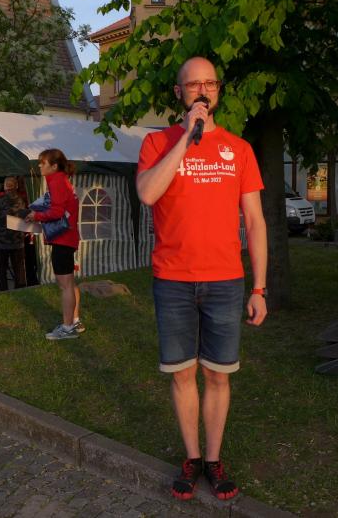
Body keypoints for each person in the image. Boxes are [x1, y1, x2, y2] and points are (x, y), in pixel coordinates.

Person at [136, 56, 267, 501]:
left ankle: (213, 459)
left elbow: (255, 221)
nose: (203, 91)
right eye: (193, 85)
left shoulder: (239, 149)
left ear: (218, 91)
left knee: (218, 375)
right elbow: (148, 193)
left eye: (210, 84)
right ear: (180, 94)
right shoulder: (157, 143)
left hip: (225, 280)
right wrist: (186, 140)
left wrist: (259, 287)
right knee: (181, 374)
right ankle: (191, 458)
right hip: (173, 279)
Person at [25, 148, 83, 340]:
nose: (39, 165)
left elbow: (57, 212)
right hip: (68, 237)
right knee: (70, 283)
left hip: (62, 238)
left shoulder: (57, 181)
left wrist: (36, 215)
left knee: (65, 285)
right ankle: (74, 321)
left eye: (43, 162)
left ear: (54, 166)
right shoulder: (62, 180)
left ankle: (67, 328)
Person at [0, 177, 26, 291]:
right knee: (19, 268)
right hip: (18, 240)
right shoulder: (22, 200)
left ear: (4, 187)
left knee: (0, 268)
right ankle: (20, 290)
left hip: (1, 241)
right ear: (16, 186)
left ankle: (3, 292)